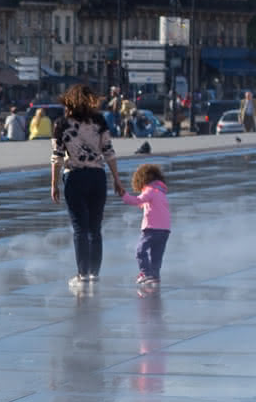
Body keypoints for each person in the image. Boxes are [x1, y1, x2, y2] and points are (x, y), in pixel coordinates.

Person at [50, 83, 124, 291]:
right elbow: (109, 151)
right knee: (95, 229)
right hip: (97, 177)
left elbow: (56, 158)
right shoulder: (99, 121)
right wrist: (117, 179)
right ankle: (94, 274)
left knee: (80, 229)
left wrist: (54, 184)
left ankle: (82, 274)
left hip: (74, 178)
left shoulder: (62, 124)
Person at [121, 163, 171, 293]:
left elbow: (136, 200)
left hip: (151, 228)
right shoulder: (160, 191)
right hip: (165, 230)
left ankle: (146, 274)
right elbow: (148, 204)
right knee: (156, 255)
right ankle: (155, 276)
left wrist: (123, 195)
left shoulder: (150, 190)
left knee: (140, 251)